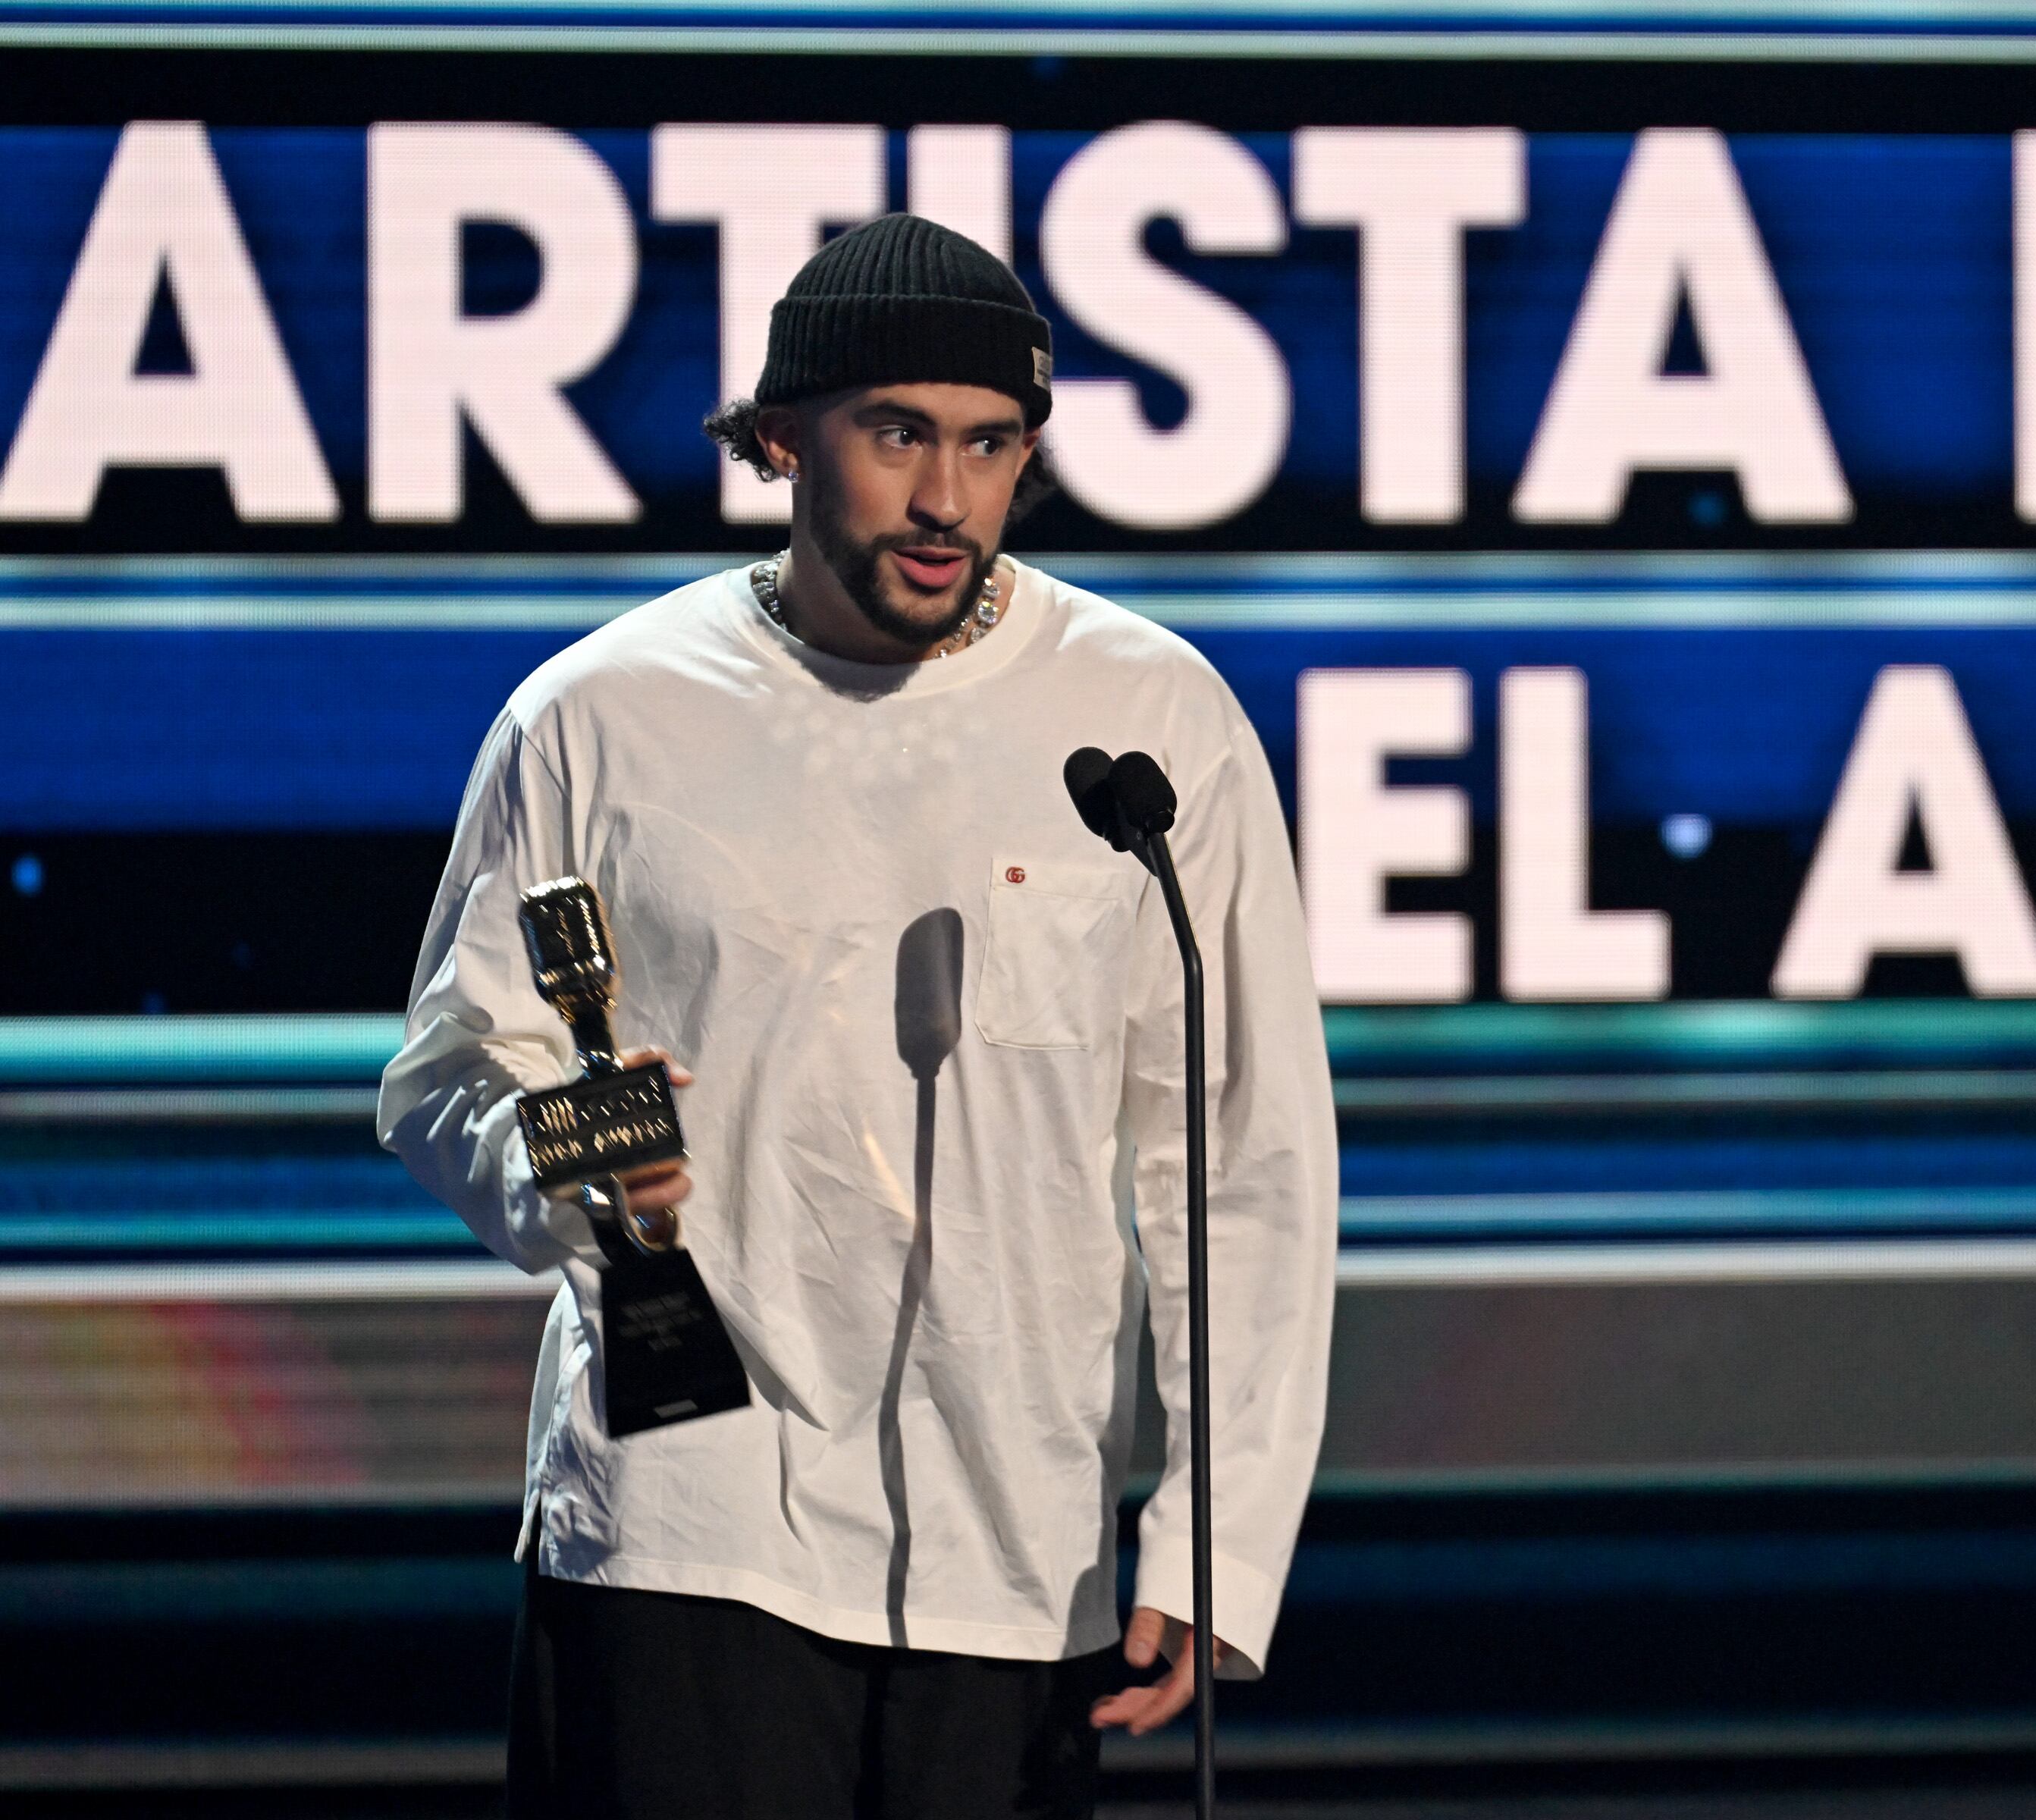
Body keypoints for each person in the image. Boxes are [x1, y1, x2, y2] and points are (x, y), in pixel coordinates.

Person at [377, 213, 1338, 1819]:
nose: (948, 496)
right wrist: (572, 1162)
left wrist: (1216, 1535)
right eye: (897, 435)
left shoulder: (1150, 716)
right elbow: (449, 1076)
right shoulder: (596, 717)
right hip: (680, 1522)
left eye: (991, 443)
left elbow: (1241, 1157)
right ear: (780, 439)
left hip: (1012, 1545)